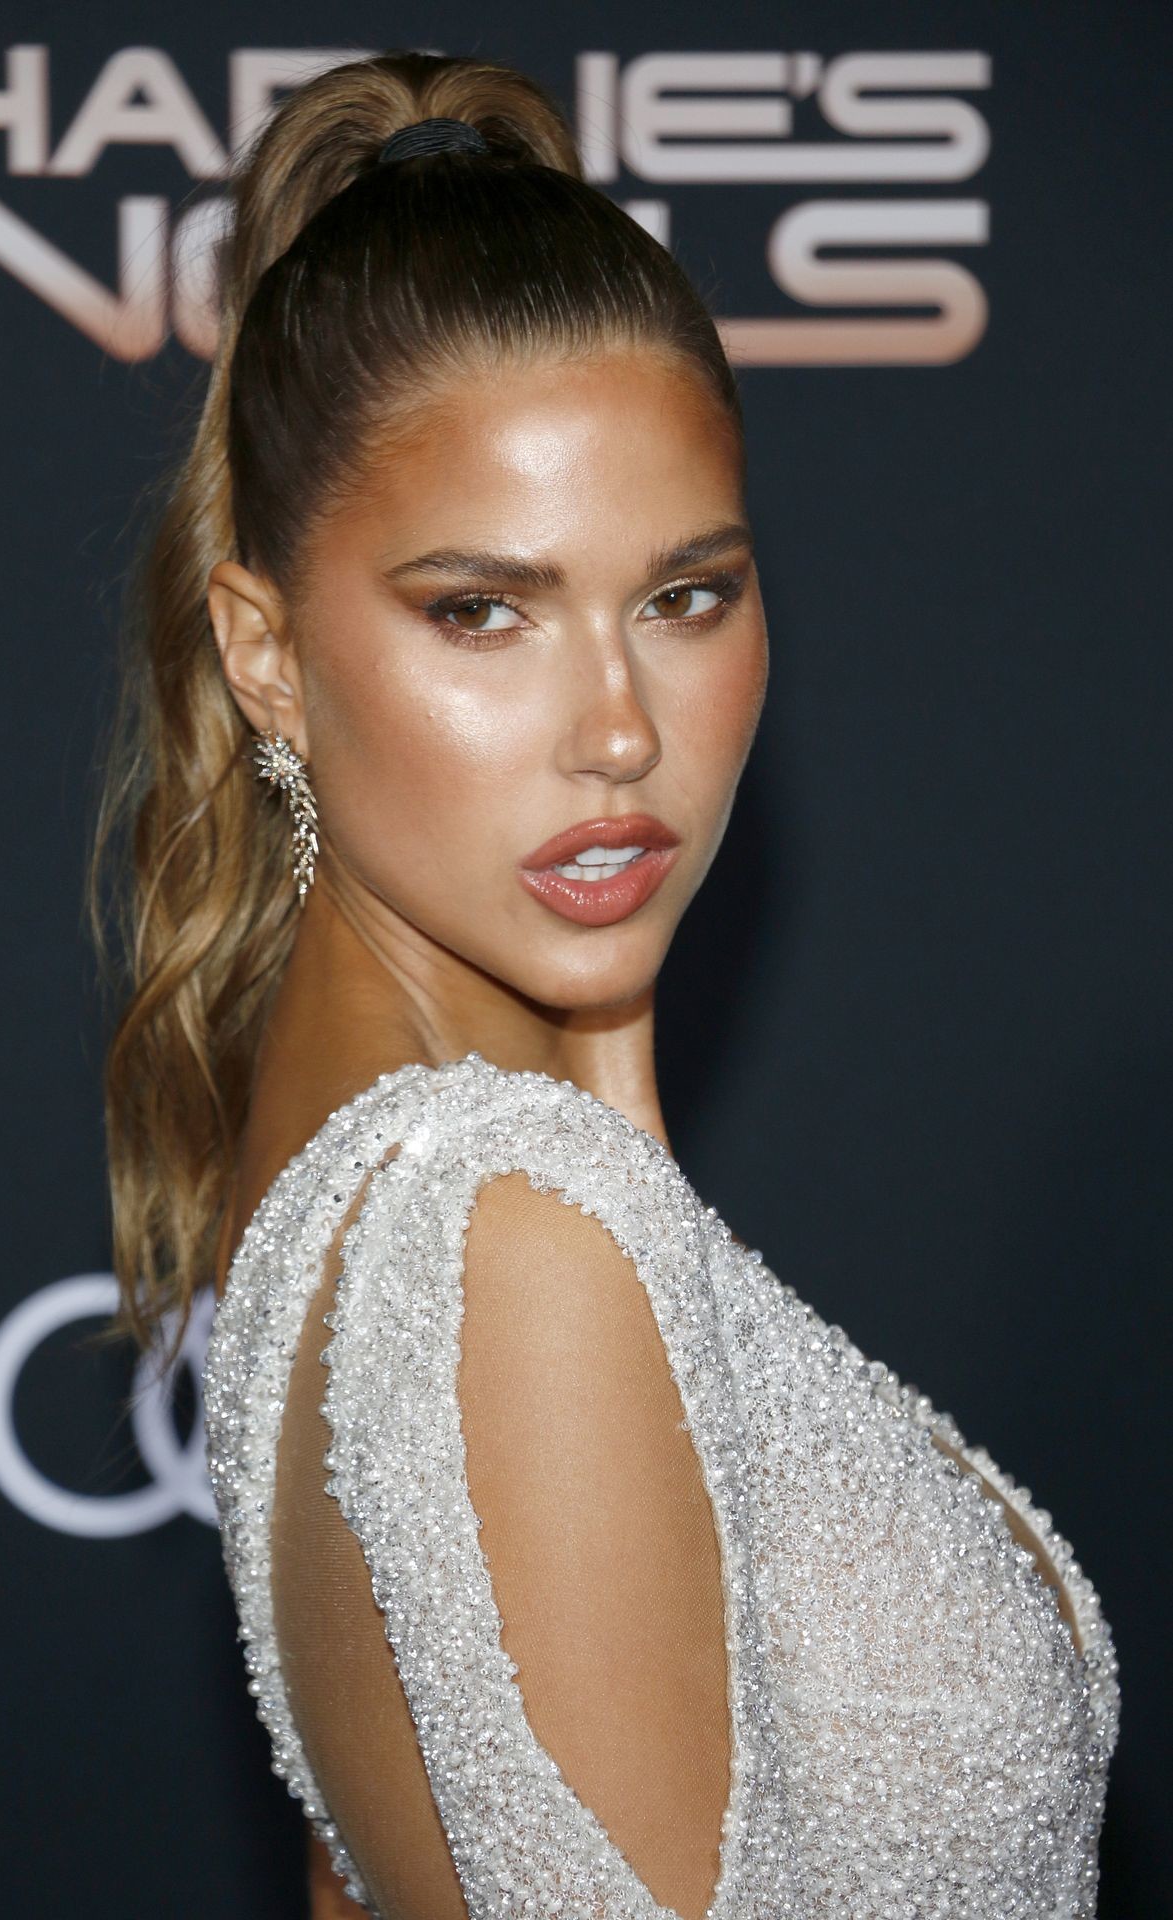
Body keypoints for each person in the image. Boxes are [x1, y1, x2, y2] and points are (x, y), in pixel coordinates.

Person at [90, 48, 1120, 1920]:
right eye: (482, 611)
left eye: (685, 596)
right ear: (265, 656)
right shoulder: (504, 1228)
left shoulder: (386, 1177)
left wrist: (610, 1074)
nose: (621, 729)